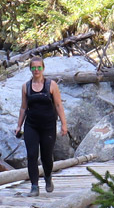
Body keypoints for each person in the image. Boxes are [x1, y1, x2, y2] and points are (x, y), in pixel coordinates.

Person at [14, 59, 71, 195]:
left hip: (48, 126)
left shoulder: (51, 85)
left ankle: (48, 177)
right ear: (30, 70)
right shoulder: (26, 87)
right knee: (32, 155)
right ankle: (34, 186)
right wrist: (18, 125)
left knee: (46, 156)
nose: (36, 70)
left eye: (39, 67)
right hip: (31, 125)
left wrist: (64, 124)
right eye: (34, 68)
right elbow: (23, 107)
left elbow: (58, 105)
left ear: (43, 69)